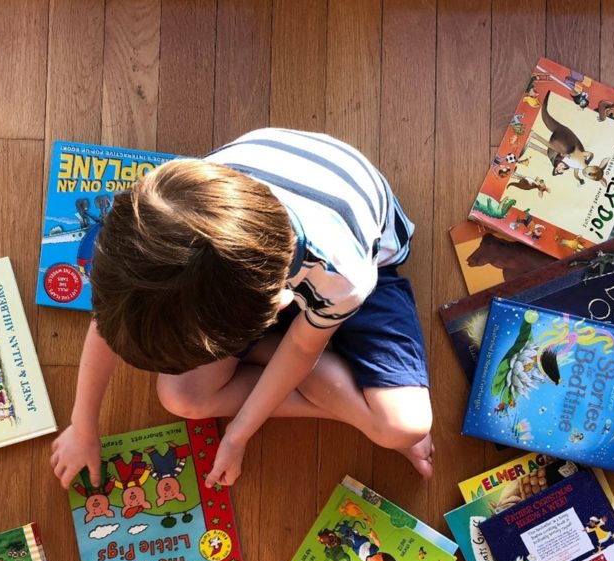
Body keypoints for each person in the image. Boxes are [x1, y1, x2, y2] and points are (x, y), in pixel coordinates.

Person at [50, 128, 433, 489]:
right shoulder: (150, 223)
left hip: (357, 264)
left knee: (404, 427)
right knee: (181, 397)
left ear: (280, 306)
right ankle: (298, 369)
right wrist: (83, 426)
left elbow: (301, 346)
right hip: (247, 253)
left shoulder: (343, 274)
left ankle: (297, 367)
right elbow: (112, 314)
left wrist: (237, 434)